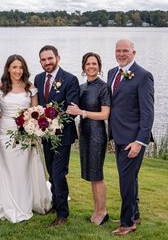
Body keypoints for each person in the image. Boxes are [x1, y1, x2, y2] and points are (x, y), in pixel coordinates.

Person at [0, 54, 52, 223]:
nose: (18, 71)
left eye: (21, 67)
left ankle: (23, 201)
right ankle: (3, 199)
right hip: (3, 133)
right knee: (5, 168)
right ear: (8, 68)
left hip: (24, 133)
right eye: (14, 67)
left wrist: (34, 130)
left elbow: (36, 111)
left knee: (21, 169)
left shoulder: (31, 88)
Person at [107, 39, 154, 235]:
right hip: (118, 135)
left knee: (125, 180)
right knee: (130, 178)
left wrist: (139, 142)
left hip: (133, 139)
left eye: (125, 50)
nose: (121, 54)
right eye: (118, 51)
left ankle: (127, 223)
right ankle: (134, 214)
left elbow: (148, 113)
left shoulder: (143, 76)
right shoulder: (112, 73)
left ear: (133, 52)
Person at [34, 45, 80, 226]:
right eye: (43, 60)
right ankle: (55, 203)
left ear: (57, 58)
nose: (47, 62)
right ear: (40, 62)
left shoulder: (70, 79)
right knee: (51, 171)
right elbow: (37, 106)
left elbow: (72, 110)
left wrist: (54, 125)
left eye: (50, 59)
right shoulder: (38, 79)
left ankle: (62, 214)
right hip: (45, 135)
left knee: (59, 173)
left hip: (63, 135)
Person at [66, 52, 111, 225]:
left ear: (99, 66)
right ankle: (97, 210)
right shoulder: (82, 87)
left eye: (94, 63)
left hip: (97, 134)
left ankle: (103, 212)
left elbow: (105, 114)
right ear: (83, 67)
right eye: (88, 64)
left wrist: (82, 112)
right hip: (84, 133)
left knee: (97, 175)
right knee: (92, 175)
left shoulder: (103, 87)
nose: (91, 66)